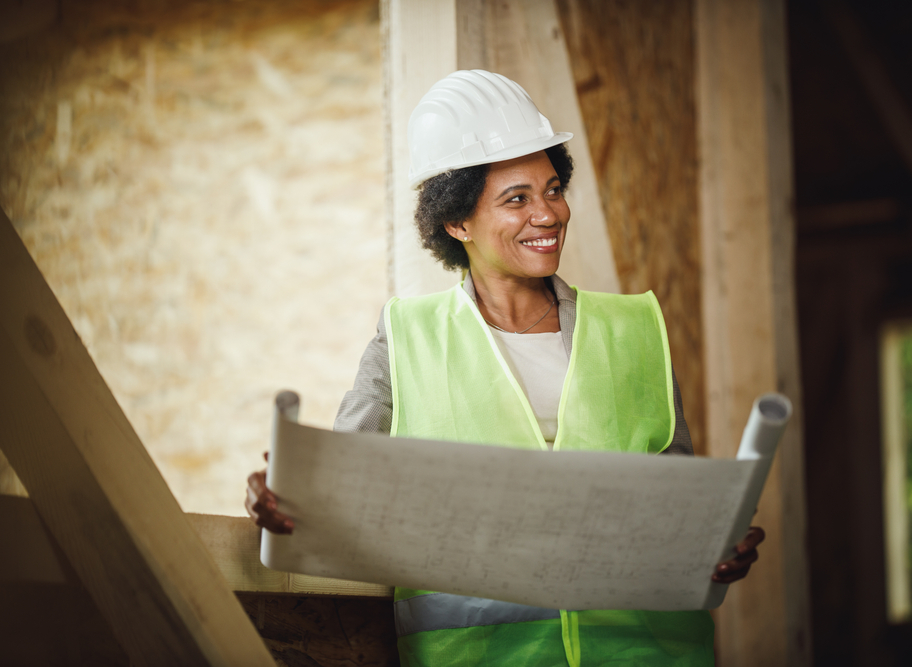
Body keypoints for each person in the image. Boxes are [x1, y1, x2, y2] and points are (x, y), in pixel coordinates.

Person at [247, 70, 765, 666]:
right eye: (516, 199)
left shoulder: (635, 330)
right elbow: (340, 499)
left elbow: (677, 509)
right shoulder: (406, 340)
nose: (548, 214)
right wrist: (284, 501)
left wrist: (716, 544)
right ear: (456, 222)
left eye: (552, 189)